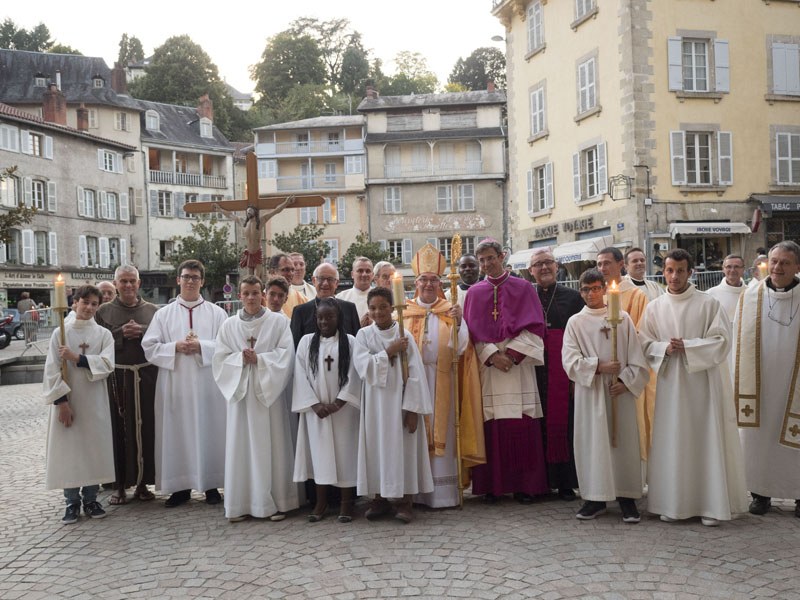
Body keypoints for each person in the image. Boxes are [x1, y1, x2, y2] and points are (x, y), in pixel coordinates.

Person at [639, 249, 747, 526]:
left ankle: (710, 505)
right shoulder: (654, 307)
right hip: (669, 386)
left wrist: (688, 346)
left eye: (680, 270)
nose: (674, 276)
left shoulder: (708, 304)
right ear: (664, 272)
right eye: (669, 270)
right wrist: (664, 348)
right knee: (673, 439)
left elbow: (722, 340)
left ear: (690, 272)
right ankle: (672, 504)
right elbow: (644, 343)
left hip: (703, 385)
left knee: (704, 439)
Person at [463, 238, 549, 503]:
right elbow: (470, 333)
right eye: (482, 260)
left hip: (518, 366)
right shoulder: (474, 293)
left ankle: (525, 486)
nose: (486, 264)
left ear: (502, 256)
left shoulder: (524, 288)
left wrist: (512, 355)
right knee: (492, 424)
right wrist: (491, 355)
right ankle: (493, 486)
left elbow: (536, 327)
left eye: (491, 258)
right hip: (489, 367)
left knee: (522, 424)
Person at [562, 270, 649, 523]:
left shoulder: (622, 319)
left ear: (604, 289)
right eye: (586, 289)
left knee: (623, 443)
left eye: (596, 288)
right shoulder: (575, 323)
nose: (591, 294)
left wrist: (625, 381)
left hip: (618, 393)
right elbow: (569, 360)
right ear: (580, 292)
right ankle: (595, 498)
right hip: (591, 393)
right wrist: (599, 367)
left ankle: (626, 497)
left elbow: (637, 358)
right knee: (593, 443)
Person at [404, 244, 485, 508]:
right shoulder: (404, 311)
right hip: (414, 384)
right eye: (423, 279)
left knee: (446, 435)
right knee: (416, 435)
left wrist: (459, 323)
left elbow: (462, 348)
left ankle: (443, 495)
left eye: (433, 279)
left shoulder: (449, 310)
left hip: (443, 383)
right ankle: (417, 493)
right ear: (416, 283)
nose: (428, 284)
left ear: (440, 283)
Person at [142, 260, 228, 508]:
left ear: (202, 281)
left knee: (210, 431)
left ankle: (212, 485)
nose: (190, 281)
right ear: (178, 280)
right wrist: (175, 347)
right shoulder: (163, 314)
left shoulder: (217, 313)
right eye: (186, 276)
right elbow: (149, 347)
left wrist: (202, 346)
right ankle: (179, 488)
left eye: (195, 277)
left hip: (207, 385)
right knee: (176, 433)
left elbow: (227, 346)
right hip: (175, 384)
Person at [213, 276, 298, 522]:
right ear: (239, 295)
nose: (251, 297)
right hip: (240, 395)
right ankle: (240, 504)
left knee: (272, 446)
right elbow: (219, 359)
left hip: (268, 396)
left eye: (255, 292)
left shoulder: (278, 322)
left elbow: (286, 356)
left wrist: (260, 360)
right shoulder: (229, 325)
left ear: (262, 294)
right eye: (246, 293)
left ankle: (277, 502)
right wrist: (239, 359)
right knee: (241, 448)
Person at [354, 287, 434, 523]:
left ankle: (405, 501)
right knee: (377, 448)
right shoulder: (363, 335)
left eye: (383, 307)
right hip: (376, 405)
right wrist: (389, 351)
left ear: (392, 308)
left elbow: (416, 375)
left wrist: (412, 410)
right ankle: (379, 498)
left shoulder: (404, 335)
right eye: (373, 308)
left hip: (401, 404)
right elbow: (363, 368)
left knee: (404, 450)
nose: (378, 312)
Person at [734, 241, 800, 518]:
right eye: (774, 261)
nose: (777, 267)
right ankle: (760, 494)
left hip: (794, 383)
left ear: (797, 266)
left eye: (785, 262)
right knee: (758, 440)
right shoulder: (751, 296)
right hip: (759, 385)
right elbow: (737, 341)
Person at [43, 284, 115, 524]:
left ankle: (91, 499)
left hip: (94, 401)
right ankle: (71, 502)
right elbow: (52, 371)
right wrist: (62, 403)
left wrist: (77, 358)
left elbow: (107, 365)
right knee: (71, 451)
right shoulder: (61, 333)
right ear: (75, 303)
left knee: (92, 449)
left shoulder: (103, 335)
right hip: (70, 401)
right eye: (85, 302)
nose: (89, 308)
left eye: (94, 304)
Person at [293, 298, 362, 522]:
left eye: (329, 317)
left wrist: (339, 402)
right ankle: (320, 502)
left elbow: (354, 373)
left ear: (338, 317)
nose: (324, 321)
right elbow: (299, 374)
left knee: (345, 454)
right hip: (317, 412)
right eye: (320, 317)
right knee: (319, 455)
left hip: (343, 411)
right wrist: (314, 404)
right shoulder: (306, 342)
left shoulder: (350, 342)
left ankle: (346, 503)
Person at [95, 265, 159, 505]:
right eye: (123, 281)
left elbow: (161, 339)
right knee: (119, 431)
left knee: (146, 429)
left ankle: (142, 483)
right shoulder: (103, 312)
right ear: (115, 284)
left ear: (139, 283)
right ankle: (119, 485)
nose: (128, 285)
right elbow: (97, 344)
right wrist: (120, 333)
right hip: (118, 377)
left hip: (146, 376)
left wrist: (142, 331)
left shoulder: (153, 311)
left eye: (132, 281)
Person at [528, 247, 585, 500]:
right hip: (532, 369)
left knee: (565, 424)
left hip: (562, 369)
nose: (544, 268)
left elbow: (581, 337)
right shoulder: (526, 297)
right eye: (538, 264)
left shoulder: (573, 298)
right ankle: (538, 483)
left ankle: (565, 483)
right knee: (534, 427)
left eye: (548, 262)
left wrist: (575, 376)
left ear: (557, 266)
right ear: (530, 271)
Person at [597, 246, 654, 463]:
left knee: (630, 428)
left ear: (621, 264)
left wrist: (626, 378)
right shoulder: (595, 294)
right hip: (602, 375)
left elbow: (642, 337)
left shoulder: (637, 296)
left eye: (607, 263)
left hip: (628, 375)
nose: (602, 268)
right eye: (599, 264)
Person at [290, 263, 360, 347]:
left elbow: (357, 344)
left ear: (337, 283)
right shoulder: (300, 312)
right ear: (314, 281)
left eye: (330, 279)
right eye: (321, 278)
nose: (325, 283)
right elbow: (295, 346)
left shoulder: (349, 309)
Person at [707, 254, 747, 321]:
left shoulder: (750, 293)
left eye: (736, 267)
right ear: (723, 269)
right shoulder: (710, 294)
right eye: (728, 267)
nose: (732, 270)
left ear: (743, 269)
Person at [336, 256, 374, 325]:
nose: (364, 274)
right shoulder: (341, 298)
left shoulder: (380, 296)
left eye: (368, 271)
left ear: (372, 275)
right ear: (352, 274)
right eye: (360, 271)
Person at [268, 254, 307, 318]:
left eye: (292, 270)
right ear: (273, 272)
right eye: (286, 270)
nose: (290, 274)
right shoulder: (260, 299)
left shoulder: (302, 299)